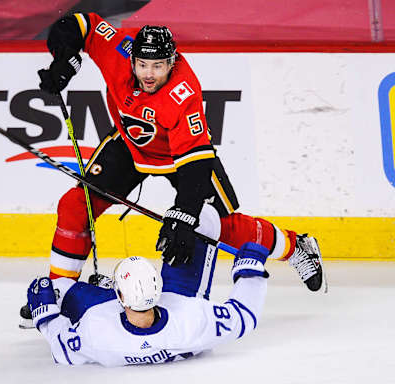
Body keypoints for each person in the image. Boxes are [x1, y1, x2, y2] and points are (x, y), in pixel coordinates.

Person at [36, 12, 324, 293]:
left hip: (181, 156)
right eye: (143, 65)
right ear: (132, 59)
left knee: (221, 226)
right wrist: (65, 58)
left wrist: (185, 214)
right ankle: (61, 290)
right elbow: (81, 24)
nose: (149, 74)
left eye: (158, 66)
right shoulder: (118, 51)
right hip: (130, 143)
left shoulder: (182, 93)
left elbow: (195, 161)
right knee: (75, 207)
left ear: (172, 63)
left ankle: (294, 245)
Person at [26, 207, 269, 366]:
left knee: (56, 288)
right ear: (158, 289)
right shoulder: (192, 320)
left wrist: (44, 317)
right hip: (178, 297)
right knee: (201, 217)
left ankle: (103, 289)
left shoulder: (96, 330)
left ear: (119, 297)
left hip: (107, 309)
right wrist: (250, 269)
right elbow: (244, 316)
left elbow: (62, 350)